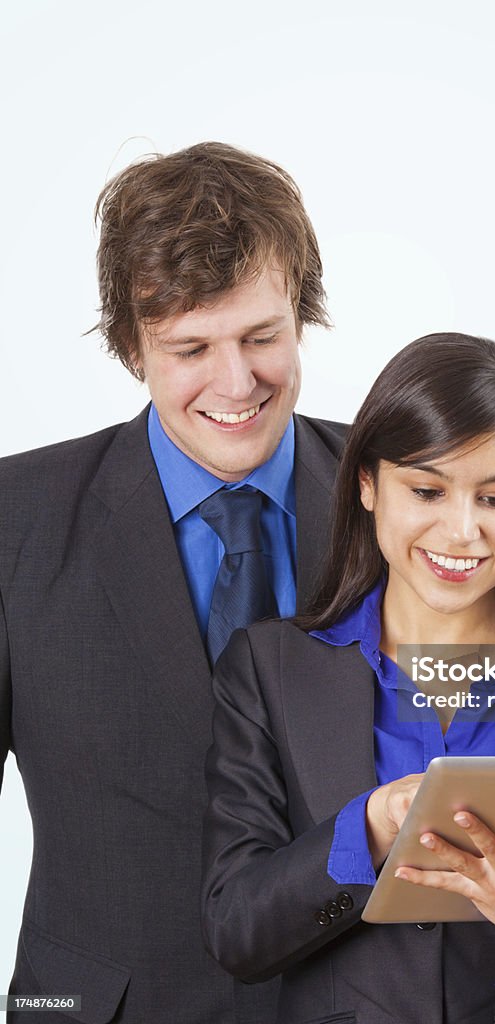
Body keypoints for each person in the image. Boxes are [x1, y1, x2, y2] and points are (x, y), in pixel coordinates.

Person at [202, 333, 495, 1023]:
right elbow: (236, 933)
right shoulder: (269, 670)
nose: (460, 531)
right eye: (426, 489)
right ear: (366, 483)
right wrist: (368, 828)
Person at [0, 143, 346, 1023]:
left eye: (261, 337)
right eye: (190, 347)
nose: (237, 383)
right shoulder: (14, 522)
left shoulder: (406, 500)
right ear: (130, 347)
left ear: (300, 316)